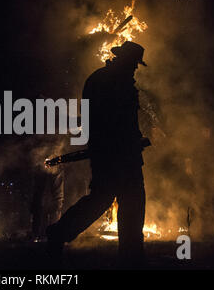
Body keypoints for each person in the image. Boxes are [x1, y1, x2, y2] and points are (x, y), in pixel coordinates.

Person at [46, 41, 148, 266]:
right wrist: (122, 143)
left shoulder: (107, 79)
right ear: (124, 60)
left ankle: (60, 234)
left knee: (111, 200)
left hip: (119, 154)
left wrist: (133, 140)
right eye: (133, 63)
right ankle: (60, 234)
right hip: (116, 155)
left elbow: (123, 122)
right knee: (114, 200)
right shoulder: (110, 82)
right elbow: (108, 121)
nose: (135, 68)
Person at [31, 166, 64, 242]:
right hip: (45, 165)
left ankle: (49, 235)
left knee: (55, 202)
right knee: (41, 203)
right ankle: (42, 234)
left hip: (51, 164)